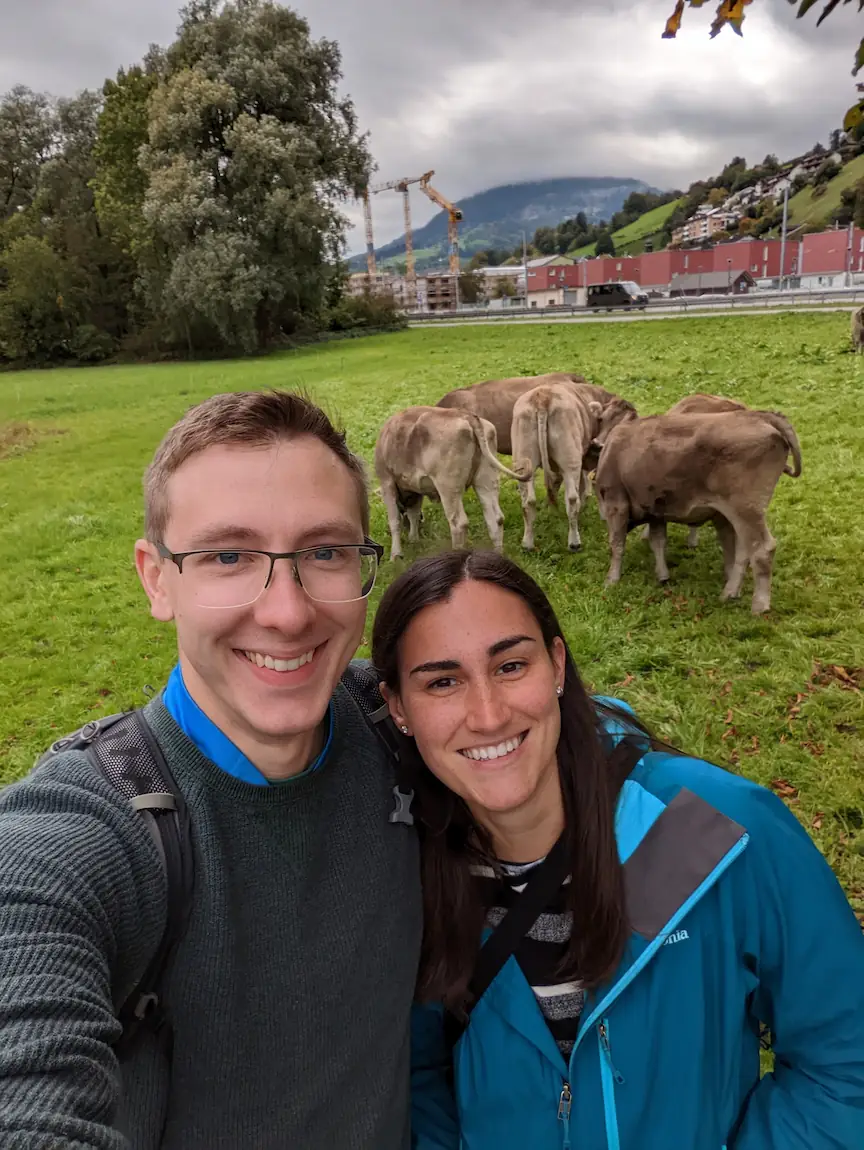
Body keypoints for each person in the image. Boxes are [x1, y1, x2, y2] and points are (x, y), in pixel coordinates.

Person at [0, 390, 421, 1149]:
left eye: (325, 552)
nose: (288, 613)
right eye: (229, 556)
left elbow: (538, 721)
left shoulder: (397, 725)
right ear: (156, 579)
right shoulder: (84, 836)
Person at [370, 549, 864, 1150]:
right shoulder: (405, 871)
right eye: (443, 682)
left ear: (556, 665)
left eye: (511, 665)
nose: (488, 713)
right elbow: (419, 1079)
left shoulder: (712, 830)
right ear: (398, 707)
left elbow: (845, 1060)